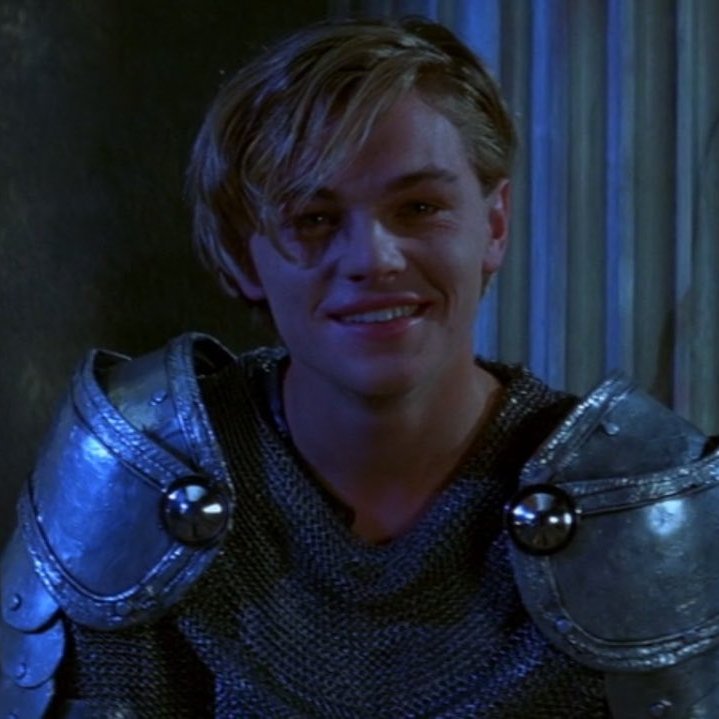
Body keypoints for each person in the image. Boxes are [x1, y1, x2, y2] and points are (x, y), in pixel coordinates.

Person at [1, 16, 717, 719]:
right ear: (244, 253)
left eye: (420, 207)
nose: (373, 259)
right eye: (313, 218)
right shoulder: (140, 474)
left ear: (493, 225)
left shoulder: (639, 500)